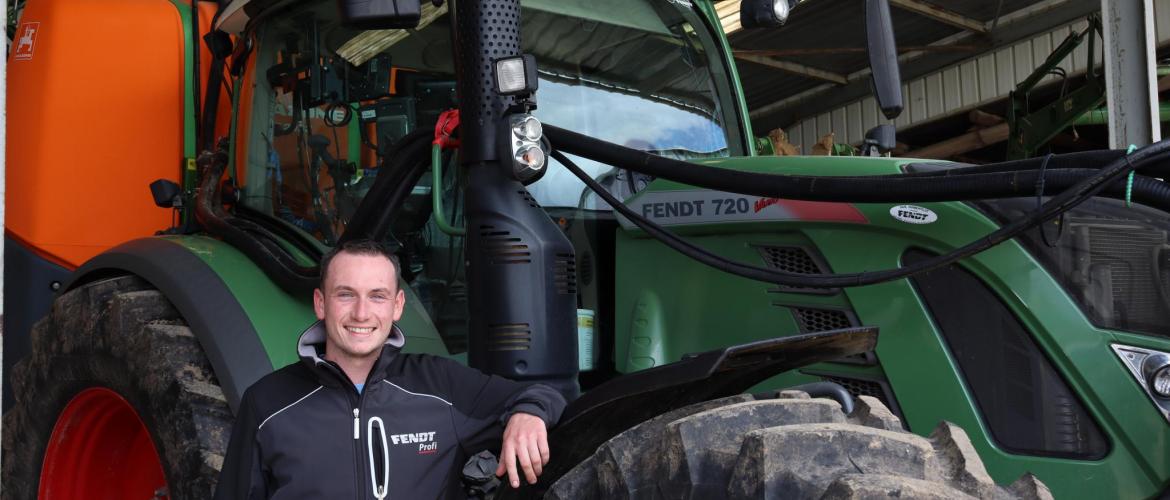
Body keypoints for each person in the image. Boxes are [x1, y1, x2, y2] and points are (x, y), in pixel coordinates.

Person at [215, 239, 567, 499]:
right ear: (321, 303)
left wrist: (528, 413)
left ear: (398, 305)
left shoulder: (441, 385)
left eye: (378, 296)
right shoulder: (268, 403)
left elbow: (540, 395)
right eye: (345, 295)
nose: (362, 314)